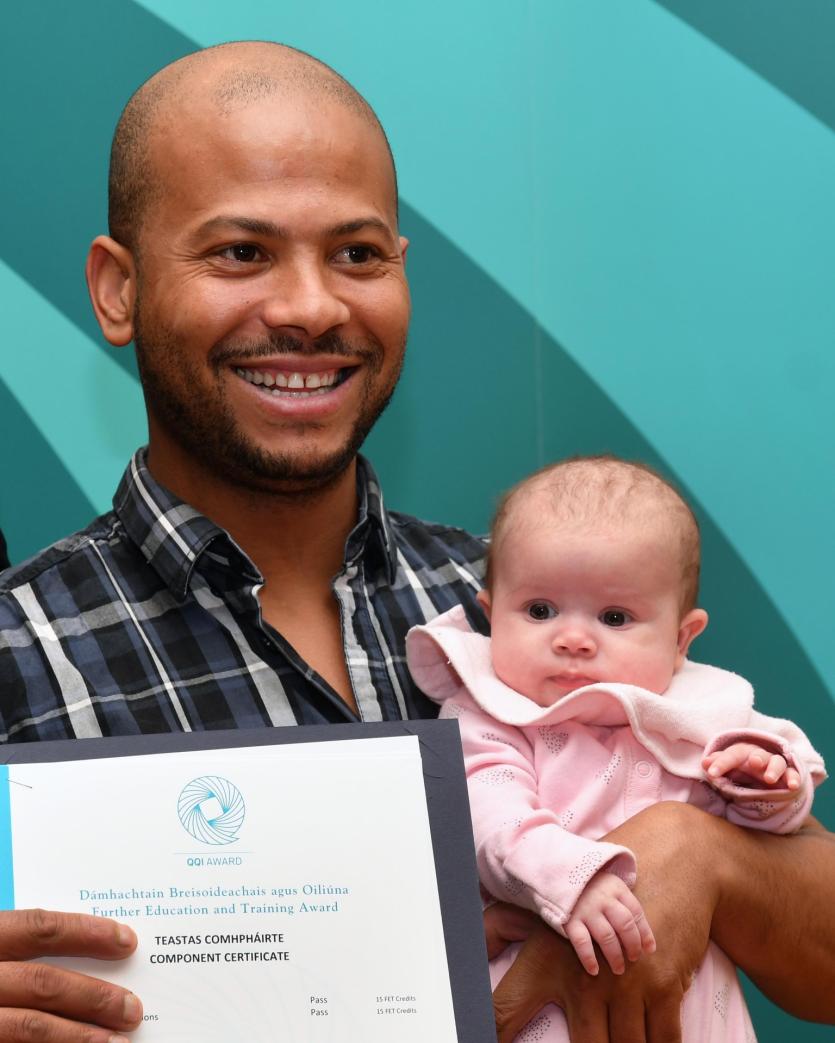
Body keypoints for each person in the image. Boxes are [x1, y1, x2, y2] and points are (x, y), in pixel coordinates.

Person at [0, 39, 832, 1043]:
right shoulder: (18, 650)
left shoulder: (530, 607)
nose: (311, 307)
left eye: (357, 254)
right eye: (241, 252)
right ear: (117, 289)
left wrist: (707, 856)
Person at [407, 456, 826, 1041]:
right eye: (540, 611)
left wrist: (762, 788)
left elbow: (779, 833)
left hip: (695, 1014)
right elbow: (489, 818)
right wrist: (573, 877)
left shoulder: (696, 714)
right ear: (490, 615)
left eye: (614, 617)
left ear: (681, 639)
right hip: (546, 1012)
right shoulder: (493, 714)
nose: (573, 639)